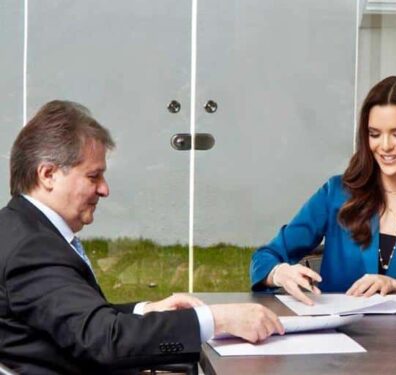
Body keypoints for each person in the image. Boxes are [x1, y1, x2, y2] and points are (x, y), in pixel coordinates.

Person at [0, 101, 284, 374]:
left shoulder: (20, 227)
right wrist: (217, 320)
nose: (104, 190)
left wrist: (145, 310)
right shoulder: (32, 248)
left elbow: (76, 319)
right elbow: (103, 339)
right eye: (93, 176)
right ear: (48, 174)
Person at [251, 76, 396, 305]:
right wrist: (279, 273)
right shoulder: (336, 194)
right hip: (337, 336)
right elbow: (265, 258)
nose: (384, 146)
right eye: (374, 134)